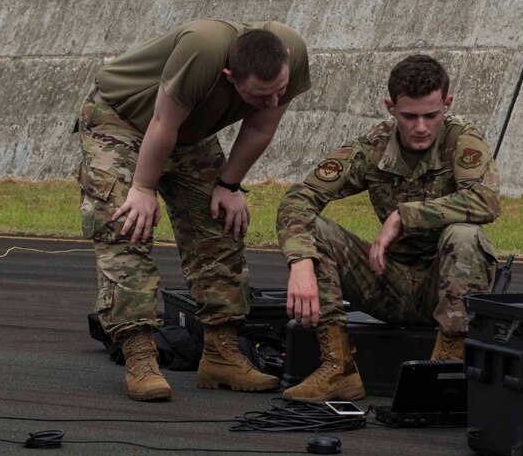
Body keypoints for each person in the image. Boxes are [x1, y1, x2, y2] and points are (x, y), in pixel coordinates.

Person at [76, 20, 310, 402]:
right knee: (126, 224)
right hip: (122, 118)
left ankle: (221, 353)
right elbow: (162, 122)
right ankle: (139, 354)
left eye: (278, 91)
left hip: (188, 131)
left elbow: (261, 128)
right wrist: (143, 188)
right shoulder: (203, 48)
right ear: (229, 76)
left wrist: (229, 186)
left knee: (220, 222)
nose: (272, 102)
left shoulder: (292, 51)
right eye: (258, 95)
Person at [276, 54, 500, 402]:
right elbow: (299, 199)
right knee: (314, 231)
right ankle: (338, 368)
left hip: (443, 287)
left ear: (448, 104)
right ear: (390, 108)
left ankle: (448, 362)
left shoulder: (462, 140)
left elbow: (486, 201)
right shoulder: (373, 147)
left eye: (432, 115)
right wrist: (300, 262)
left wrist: (403, 215)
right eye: (410, 116)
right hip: (387, 282)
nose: (421, 127)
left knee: (466, 235)